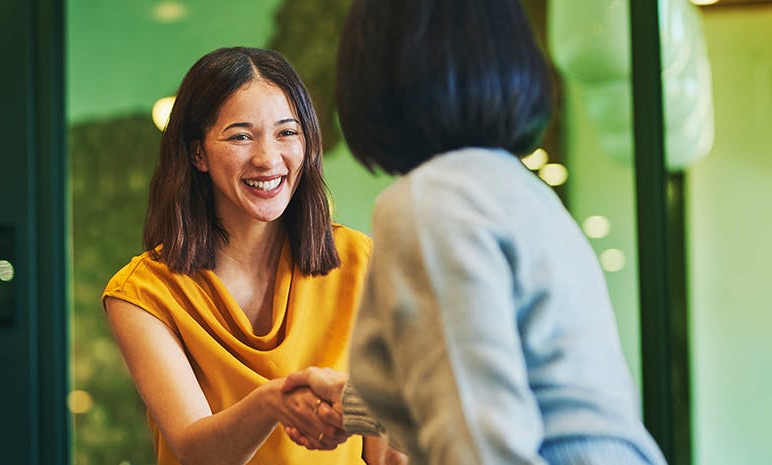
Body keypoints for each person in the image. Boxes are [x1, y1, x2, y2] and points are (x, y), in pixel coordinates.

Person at [282, 0, 670, 464]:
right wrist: (353, 406)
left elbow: (479, 441)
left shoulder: (431, 203)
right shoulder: (520, 190)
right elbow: (521, 389)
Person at [102, 46, 400, 465]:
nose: (267, 158)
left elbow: (389, 455)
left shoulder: (360, 260)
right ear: (197, 154)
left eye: (287, 132)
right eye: (241, 135)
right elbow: (196, 452)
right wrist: (274, 402)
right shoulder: (142, 293)